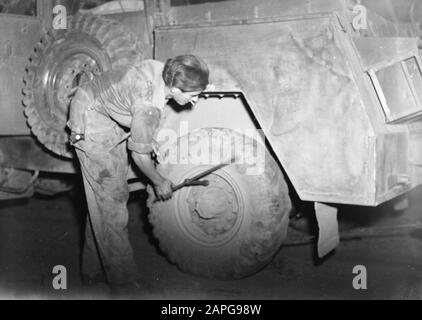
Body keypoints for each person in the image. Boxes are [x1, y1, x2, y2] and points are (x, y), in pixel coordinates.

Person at [67, 55, 210, 292]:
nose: (195, 102)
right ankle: (125, 284)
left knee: (104, 200)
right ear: (175, 88)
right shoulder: (148, 106)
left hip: (106, 118)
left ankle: (92, 271)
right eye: (193, 95)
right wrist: (159, 181)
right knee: (111, 203)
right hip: (91, 125)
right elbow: (140, 157)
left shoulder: (164, 71)